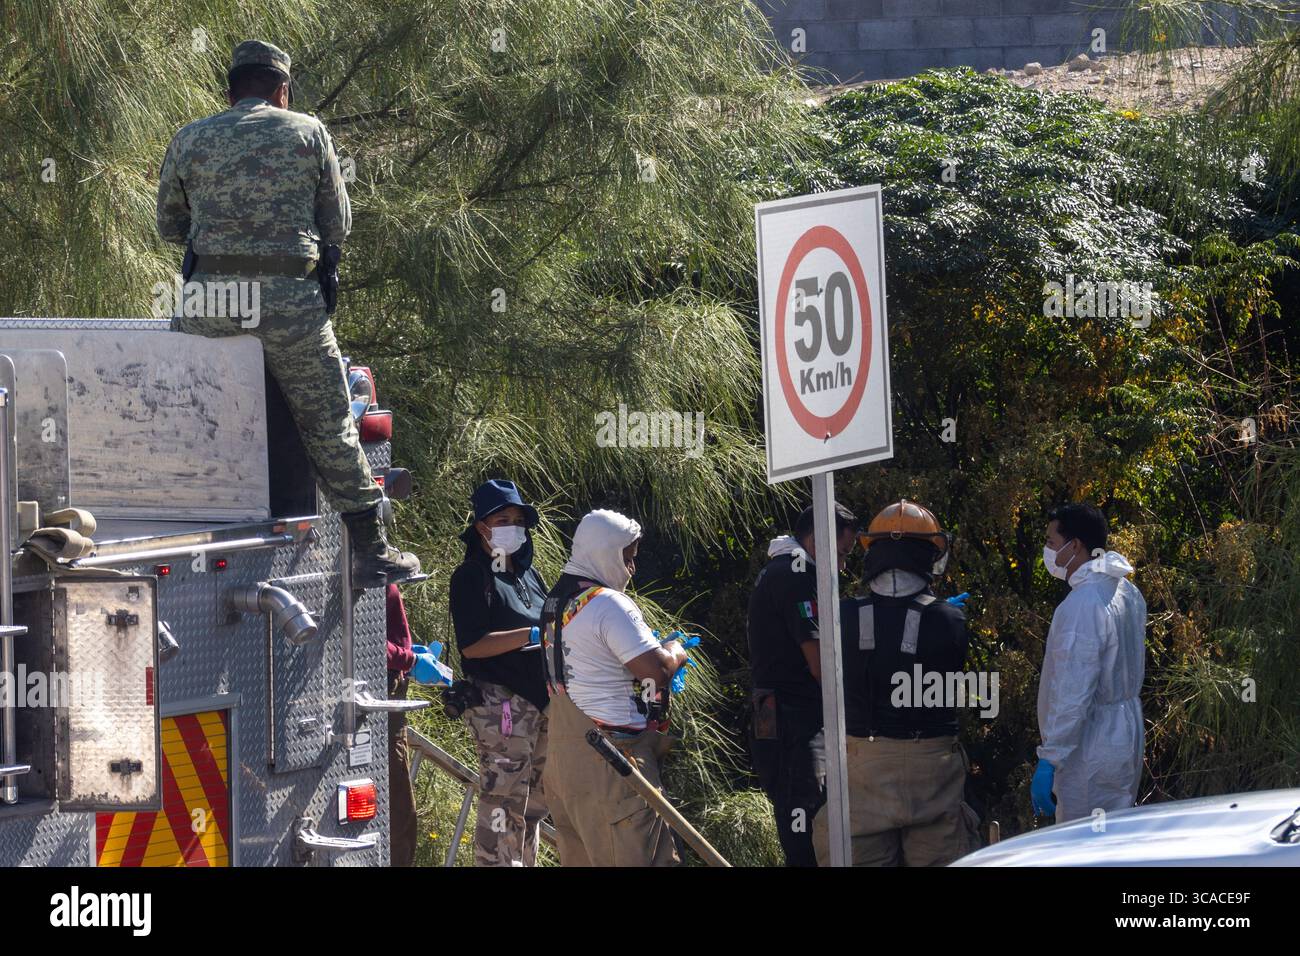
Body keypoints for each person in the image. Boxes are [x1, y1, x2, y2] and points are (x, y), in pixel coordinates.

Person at [156, 39, 418, 588]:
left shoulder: (190, 138)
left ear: (230, 91)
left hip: (211, 302)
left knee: (180, 410)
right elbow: (336, 224)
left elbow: (170, 228)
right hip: (289, 301)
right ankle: (372, 548)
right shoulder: (308, 131)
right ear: (282, 89)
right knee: (330, 424)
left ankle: (168, 522)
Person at [814, 499, 979, 867]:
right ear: (929, 556)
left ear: (872, 552)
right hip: (931, 768)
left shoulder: (841, 615)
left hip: (862, 764)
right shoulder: (950, 619)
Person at [540, 509, 687, 867]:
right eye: (627, 557)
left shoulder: (553, 604)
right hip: (613, 762)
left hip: (563, 763)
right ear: (604, 551)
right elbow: (656, 671)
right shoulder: (607, 603)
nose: (631, 569)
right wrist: (675, 652)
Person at [747, 501, 857, 867]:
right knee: (806, 815)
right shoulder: (796, 575)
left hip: (771, 707)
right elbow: (819, 663)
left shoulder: (779, 568)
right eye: (842, 553)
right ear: (817, 540)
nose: (843, 565)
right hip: (793, 715)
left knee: (791, 806)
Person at [448, 479, 549, 866]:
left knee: (535, 802)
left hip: (540, 705)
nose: (513, 526)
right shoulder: (472, 576)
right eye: (502, 518)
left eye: (518, 519)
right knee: (502, 804)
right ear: (481, 527)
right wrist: (530, 633)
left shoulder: (528, 575)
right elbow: (472, 645)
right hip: (500, 708)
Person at [1034, 503, 1146, 824]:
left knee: (1082, 844)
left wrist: (1051, 757)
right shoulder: (1127, 591)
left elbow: (1073, 688)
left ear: (1076, 546)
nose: (1049, 552)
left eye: (1052, 543)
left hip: (1089, 745)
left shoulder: (1083, 604)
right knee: (1115, 838)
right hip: (1124, 733)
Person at [385, 584, 424, 867]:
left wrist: (408, 652)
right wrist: (409, 658)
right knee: (398, 811)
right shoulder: (363, 559)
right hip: (382, 691)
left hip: (391, 684)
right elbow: (360, 634)